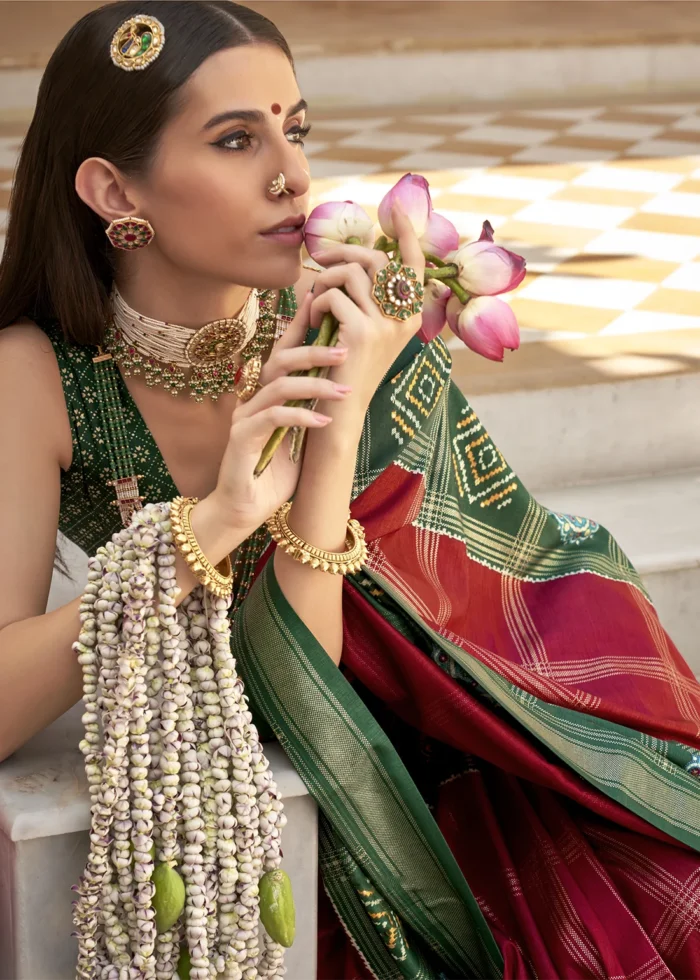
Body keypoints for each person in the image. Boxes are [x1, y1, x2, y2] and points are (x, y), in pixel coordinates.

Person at [0, 2, 698, 978]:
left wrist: (331, 437)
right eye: (238, 139)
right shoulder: (38, 379)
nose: (292, 175)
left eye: (296, 127)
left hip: (472, 748)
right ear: (114, 188)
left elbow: (335, 673)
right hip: (344, 780)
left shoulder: (346, 322)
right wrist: (215, 523)